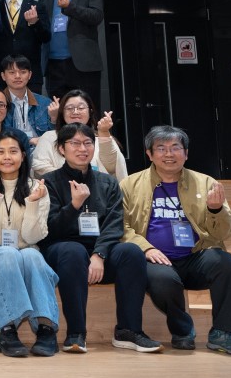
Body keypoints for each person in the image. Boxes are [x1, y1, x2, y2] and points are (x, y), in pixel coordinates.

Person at [121, 125, 231, 357]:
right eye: (161, 148)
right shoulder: (129, 185)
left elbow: (226, 231)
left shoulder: (206, 183)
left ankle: (224, 333)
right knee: (163, 280)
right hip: (155, 259)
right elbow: (120, 226)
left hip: (196, 256)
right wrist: (146, 248)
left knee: (229, 265)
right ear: (149, 154)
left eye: (175, 147)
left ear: (186, 153)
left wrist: (216, 210)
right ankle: (182, 330)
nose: (169, 154)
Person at [41, 123, 162, 354]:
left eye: (88, 143)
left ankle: (128, 330)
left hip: (99, 252)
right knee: (73, 251)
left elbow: (114, 224)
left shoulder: (108, 182)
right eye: (75, 143)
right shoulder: (49, 182)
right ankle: (76, 333)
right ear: (61, 149)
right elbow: (50, 229)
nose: (82, 149)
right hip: (63, 253)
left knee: (131, 252)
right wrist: (74, 205)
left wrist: (99, 254)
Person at [0, 129, 58, 357]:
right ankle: (7, 330)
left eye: (13, 151)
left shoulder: (37, 187)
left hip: (25, 247)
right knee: (8, 255)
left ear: (23, 155)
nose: (7, 157)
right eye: (0, 152)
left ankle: (46, 328)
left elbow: (32, 237)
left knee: (32, 256)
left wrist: (33, 203)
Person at [39, 0, 104, 103]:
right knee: (58, 112)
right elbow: (43, 29)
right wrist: (34, 22)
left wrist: (70, 7)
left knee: (87, 109)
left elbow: (96, 16)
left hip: (83, 64)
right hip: (53, 65)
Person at [31, 90, 127, 178]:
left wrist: (104, 133)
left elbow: (111, 168)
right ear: (62, 112)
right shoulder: (49, 137)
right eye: (69, 108)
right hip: (59, 189)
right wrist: (71, 178)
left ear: (90, 112)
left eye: (81, 108)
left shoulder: (101, 137)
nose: (75, 112)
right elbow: (39, 166)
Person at [0, 0, 49, 93]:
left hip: (30, 72)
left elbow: (46, 37)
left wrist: (35, 22)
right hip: (1, 73)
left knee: (32, 106)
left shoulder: (38, 6)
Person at [0, 54, 53, 147]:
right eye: (12, 72)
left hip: (40, 149)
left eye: (23, 72)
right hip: (10, 148)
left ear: (30, 75)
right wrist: (30, 140)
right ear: (3, 76)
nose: (17, 76)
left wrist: (54, 119)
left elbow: (54, 135)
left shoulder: (45, 103)